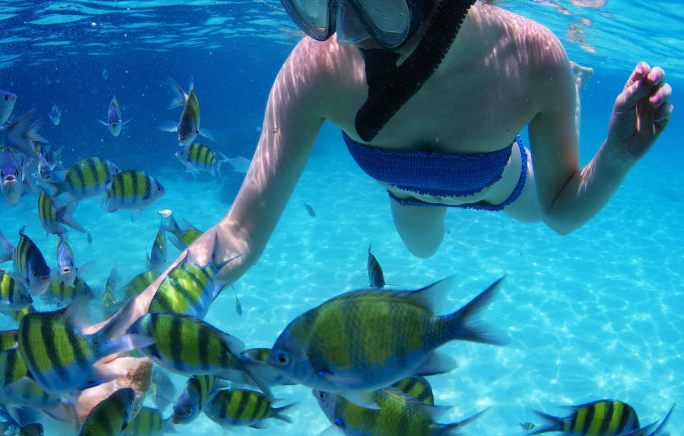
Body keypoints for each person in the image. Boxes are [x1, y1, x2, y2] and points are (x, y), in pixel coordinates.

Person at [123, 0, 673, 323]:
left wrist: (618, 158)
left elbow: (560, 211)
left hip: (499, 180)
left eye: (376, 2)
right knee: (423, 246)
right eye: (320, 2)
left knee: (526, 210)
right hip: (408, 195)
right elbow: (237, 234)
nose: (348, 32)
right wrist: (128, 327)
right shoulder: (316, 69)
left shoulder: (532, 58)